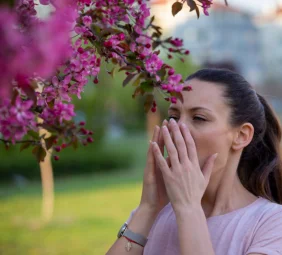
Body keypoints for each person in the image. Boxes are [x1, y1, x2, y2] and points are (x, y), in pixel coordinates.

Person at [106, 68, 282, 255]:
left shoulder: (270, 224)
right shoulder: (154, 213)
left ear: (241, 135)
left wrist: (189, 208)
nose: (178, 127)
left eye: (199, 118)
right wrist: (149, 207)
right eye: (174, 116)